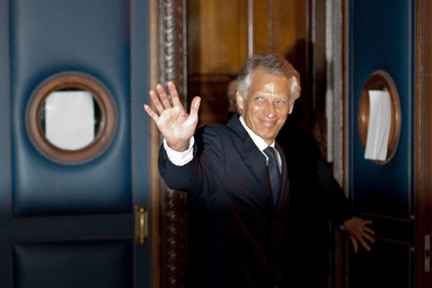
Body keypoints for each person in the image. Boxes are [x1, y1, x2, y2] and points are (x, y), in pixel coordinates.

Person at [144, 53, 375, 288]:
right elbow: (181, 176)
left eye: (280, 101)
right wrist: (178, 145)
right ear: (241, 101)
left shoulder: (280, 154)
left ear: (291, 106)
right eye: (260, 99)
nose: (270, 111)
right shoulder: (217, 140)